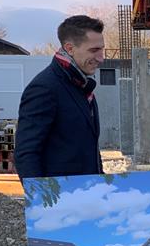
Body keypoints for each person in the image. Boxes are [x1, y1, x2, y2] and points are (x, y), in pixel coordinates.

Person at [15, 15, 105, 179]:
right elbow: (27, 153)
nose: (101, 58)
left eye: (101, 49)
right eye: (94, 50)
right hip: (61, 192)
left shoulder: (81, 85)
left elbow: (87, 147)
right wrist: (42, 194)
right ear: (70, 49)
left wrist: (101, 182)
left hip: (86, 190)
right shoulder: (44, 88)